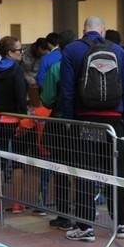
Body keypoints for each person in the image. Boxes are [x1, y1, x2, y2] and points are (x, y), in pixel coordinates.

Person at [59, 16, 124, 242]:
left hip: (85, 121)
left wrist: (70, 121)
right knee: (117, 172)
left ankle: (85, 227)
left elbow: (67, 92)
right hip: (114, 123)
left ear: (84, 30)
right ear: (102, 31)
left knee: (85, 172)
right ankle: (120, 224)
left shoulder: (72, 50)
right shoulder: (118, 52)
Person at [0, 36, 28, 215]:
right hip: (15, 120)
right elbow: (21, 98)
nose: (21, 53)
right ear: (10, 52)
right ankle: (17, 204)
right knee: (18, 161)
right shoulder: (17, 70)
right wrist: (23, 121)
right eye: (19, 50)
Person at [40, 30, 77, 231]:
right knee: (82, 170)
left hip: (60, 123)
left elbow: (47, 99)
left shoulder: (56, 67)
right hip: (82, 123)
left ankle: (63, 215)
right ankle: (85, 215)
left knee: (61, 170)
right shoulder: (84, 65)